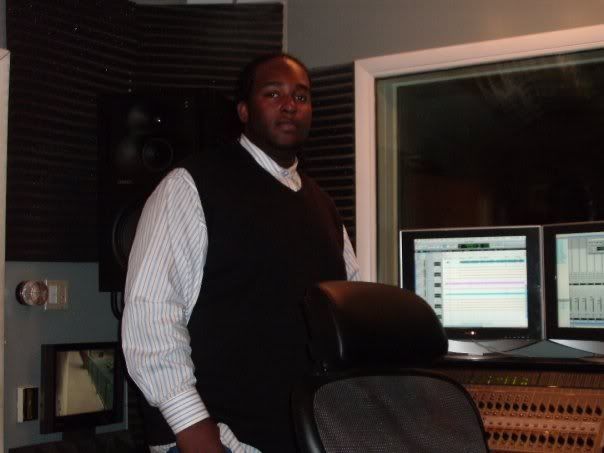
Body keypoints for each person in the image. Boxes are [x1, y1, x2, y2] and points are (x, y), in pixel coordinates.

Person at [121, 53, 360, 453]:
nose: (290, 105)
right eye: (273, 94)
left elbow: (345, 314)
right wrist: (191, 426)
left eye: (301, 96)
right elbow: (152, 313)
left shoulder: (324, 207)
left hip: (298, 436)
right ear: (244, 111)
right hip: (215, 438)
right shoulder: (192, 185)